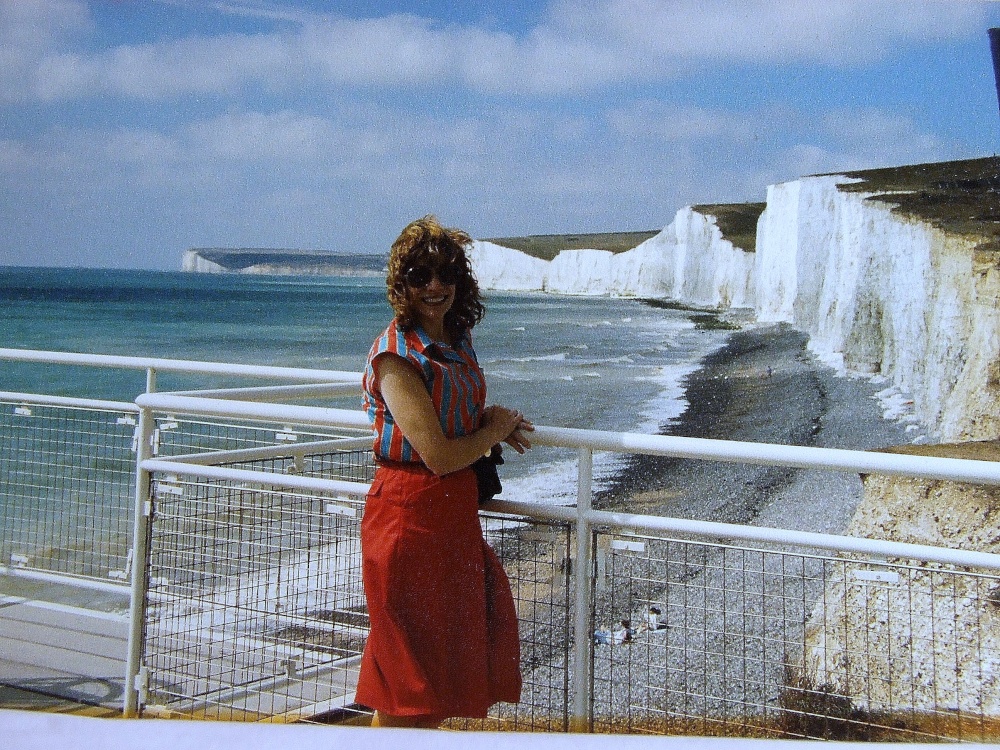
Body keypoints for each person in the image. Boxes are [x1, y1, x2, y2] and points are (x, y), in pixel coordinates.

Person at [356, 215, 534, 729]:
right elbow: (436, 453)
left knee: (438, 672)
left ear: (460, 281)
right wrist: (491, 435)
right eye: (420, 275)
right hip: (409, 517)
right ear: (402, 284)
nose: (434, 287)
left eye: (445, 274)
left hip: (452, 518)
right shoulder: (395, 354)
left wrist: (489, 421)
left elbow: (448, 418)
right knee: (409, 681)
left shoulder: (457, 337)